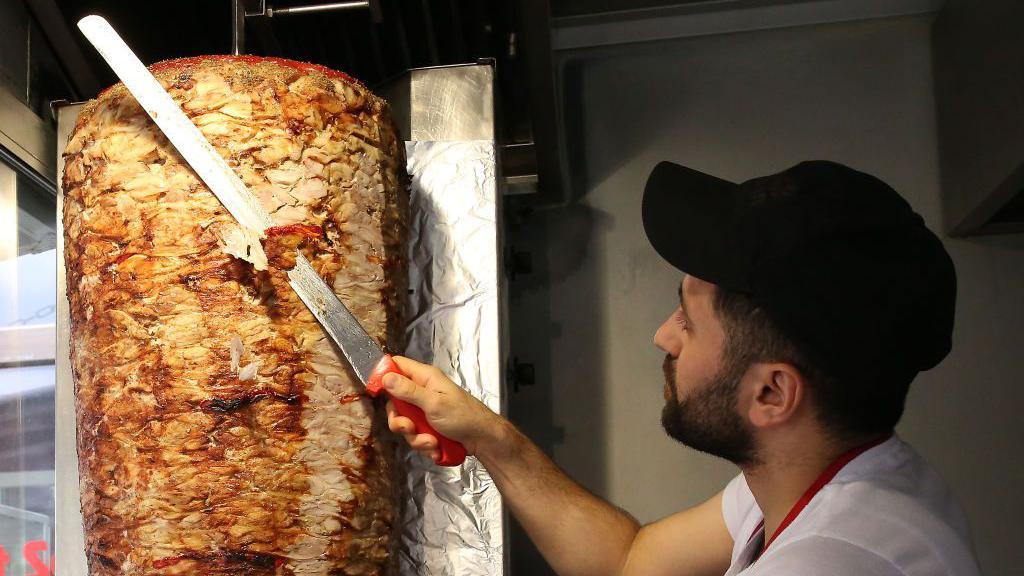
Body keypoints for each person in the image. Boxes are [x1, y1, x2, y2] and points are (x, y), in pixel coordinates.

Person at [379, 160, 981, 576]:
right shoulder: (826, 471)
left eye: (688, 323)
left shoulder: (838, 560)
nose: (662, 335)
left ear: (772, 394)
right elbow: (630, 561)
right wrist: (489, 435)